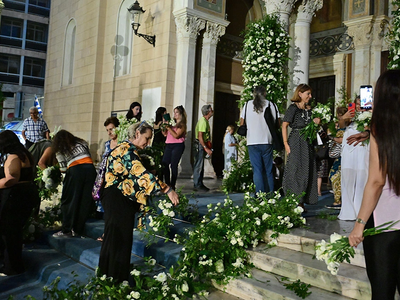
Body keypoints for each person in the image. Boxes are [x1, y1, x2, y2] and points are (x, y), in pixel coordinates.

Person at [98, 121, 179, 283]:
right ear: (137, 134)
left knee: (113, 237)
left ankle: (107, 274)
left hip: (114, 197)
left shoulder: (125, 148)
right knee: (120, 238)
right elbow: (139, 173)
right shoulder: (127, 151)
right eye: (146, 138)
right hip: (118, 199)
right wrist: (167, 189)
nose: (147, 143)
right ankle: (117, 277)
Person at [348, 70, 400, 299]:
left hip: (385, 223)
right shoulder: (379, 129)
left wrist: (359, 224)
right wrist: (368, 134)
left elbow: (377, 180)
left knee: (382, 292)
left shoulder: (381, 126)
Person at [0, 130, 40, 275]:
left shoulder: (13, 157)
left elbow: (11, 179)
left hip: (15, 197)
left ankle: (11, 267)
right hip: (27, 193)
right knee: (14, 232)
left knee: (9, 233)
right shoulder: (25, 154)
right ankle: (13, 264)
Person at [52, 130, 97, 237]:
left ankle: (66, 230)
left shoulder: (60, 148)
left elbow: (63, 169)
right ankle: (78, 230)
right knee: (84, 201)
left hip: (75, 170)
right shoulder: (82, 142)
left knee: (69, 200)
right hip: (91, 170)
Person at [282, 84, 320, 209]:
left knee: (307, 169)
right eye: (307, 94)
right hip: (296, 141)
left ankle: (302, 200)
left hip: (307, 142)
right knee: (295, 170)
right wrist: (286, 143)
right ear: (300, 94)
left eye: (310, 94)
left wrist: (317, 122)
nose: (310, 96)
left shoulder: (310, 109)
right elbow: (284, 125)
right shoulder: (293, 108)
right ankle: (293, 199)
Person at [240, 86, 279, 193]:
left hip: (252, 141)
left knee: (257, 170)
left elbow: (241, 123)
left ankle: (259, 194)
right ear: (265, 93)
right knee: (268, 170)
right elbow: (277, 123)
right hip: (267, 140)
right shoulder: (271, 105)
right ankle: (270, 194)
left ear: (254, 93)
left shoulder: (247, 105)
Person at [338, 96, 370, 220]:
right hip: (349, 149)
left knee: (362, 178)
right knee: (348, 178)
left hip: (363, 147)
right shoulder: (350, 116)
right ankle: (347, 212)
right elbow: (341, 126)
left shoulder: (370, 115)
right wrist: (344, 117)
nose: (358, 107)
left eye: (361, 104)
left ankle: (359, 211)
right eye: (356, 104)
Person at [325, 107, 347, 209]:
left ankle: (338, 201)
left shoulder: (344, 126)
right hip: (340, 156)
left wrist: (332, 137)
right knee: (335, 176)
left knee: (335, 176)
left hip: (344, 156)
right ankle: (338, 199)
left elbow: (342, 140)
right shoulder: (341, 126)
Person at [162, 105, 187, 190]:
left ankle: (173, 184)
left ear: (181, 114)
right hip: (168, 144)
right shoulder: (172, 123)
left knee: (173, 165)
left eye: (176, 112)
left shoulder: (182, 124)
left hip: (177, 145)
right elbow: (165, 134)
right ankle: (167, 183)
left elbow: (176, 135)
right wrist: (165, 125)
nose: (175, 114)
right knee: (165, 163)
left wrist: (169, 127)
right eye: (174, 112)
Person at [193, 105, 213, 191]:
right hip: (200, 145)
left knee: (201, 165)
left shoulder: (205, 121)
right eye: (211, 109)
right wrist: (205, 148)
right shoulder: (203, 121)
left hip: (203, 144)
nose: (212, 111)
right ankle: (197, 184)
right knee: (199, 165)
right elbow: (200, 136)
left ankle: (200, 183)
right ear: (208, 112)